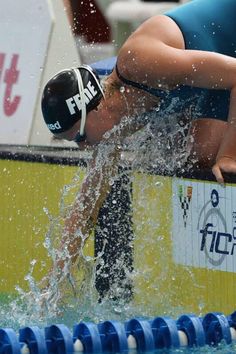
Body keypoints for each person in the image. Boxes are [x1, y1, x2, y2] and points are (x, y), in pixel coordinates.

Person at [41, 0, 236, 275]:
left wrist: (229, 155)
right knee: (198, 156)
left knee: (214, 155)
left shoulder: (138, 62)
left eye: (80, 137)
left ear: (94, 109)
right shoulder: (118, 120)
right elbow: (85, 205)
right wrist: (55, 283)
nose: (83, 147)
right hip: (217, 67)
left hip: (230, 43)